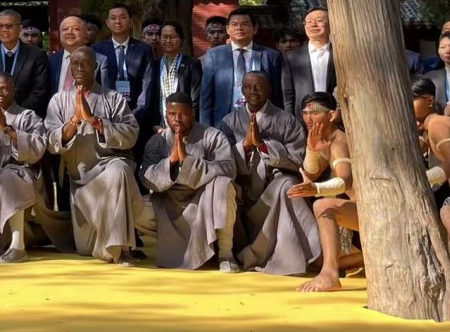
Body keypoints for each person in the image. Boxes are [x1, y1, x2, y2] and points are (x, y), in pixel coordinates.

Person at [43, 47, 142, 265]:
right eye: (75, 64)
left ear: (95, 67)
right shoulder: (58, 101)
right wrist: (76, 120)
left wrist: (95, 121)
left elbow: (131, 134)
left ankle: (121, 247)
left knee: (120, 171)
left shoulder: (112, 98)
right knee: (86, 249)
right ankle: (111, 242)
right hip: (80, 180)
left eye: (85, 64)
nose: (79, 68)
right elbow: (50, 143)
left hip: (108, 168)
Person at [220, 71, 319, 275]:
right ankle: (233, 253)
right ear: (242, 89)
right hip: (244, 188)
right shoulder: (229, 121)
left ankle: (298, 256)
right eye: (248, 87)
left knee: (288, 187)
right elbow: (221, 160)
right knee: (223, 189)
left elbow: (298, 157)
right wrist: (245, 146)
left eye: (259, 86)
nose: (253, 91)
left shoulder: (286, 120)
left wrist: (264, 146)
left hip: (274, 183)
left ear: (269, 89)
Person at [0, 72, 70, 262]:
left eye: (4, 88)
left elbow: (38, 146)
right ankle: (28, 236)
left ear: (14, 90)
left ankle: (18, 245)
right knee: (4, 178)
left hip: (27, 178)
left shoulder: (28, 116)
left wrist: (9, 129)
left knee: (9, 177)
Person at [138, 94, 240, 272]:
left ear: (192, 113)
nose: (177, 119)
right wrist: (171, 161)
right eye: (171, 114)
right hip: (168, 202)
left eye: (182, 114)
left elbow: (228, 169)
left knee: (224, 186)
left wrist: (188, 161)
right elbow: (146, 177)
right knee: (134, 208)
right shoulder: (157, 141)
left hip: (203, 200)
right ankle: (173, 245)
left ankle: (225, 254)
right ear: (166, 114)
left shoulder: (212, 136)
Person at [288, 92, 358, 292]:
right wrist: (311, 149)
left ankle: (330, 275)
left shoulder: (339, 141)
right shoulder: (325, 139)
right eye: (305, 113)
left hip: (370, 212)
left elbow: (344, 181)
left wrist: (317, 189)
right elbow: (311, 171)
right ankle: (361, 259)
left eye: (315, 112)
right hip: (359, 213)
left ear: (331, 116)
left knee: (322, 205)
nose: (309, 118)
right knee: (317, 259)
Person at [417, 78, 450, 299]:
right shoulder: (429, 128)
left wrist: (422, 180)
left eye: (411, 99)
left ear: (428, 100)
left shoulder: (438, 124)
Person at [200, 8, 282, 127]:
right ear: (228, 29)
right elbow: (206, 96)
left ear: (255, 29)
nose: (239, 28)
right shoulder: (214, 55)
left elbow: (277, 95)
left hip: (263, 120)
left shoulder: (270, 55)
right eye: (234, 24)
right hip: (224, 120)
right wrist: (206, 129)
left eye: (244, 24)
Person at [0, 10, 50, 115]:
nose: (4, 30)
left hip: (25, 118)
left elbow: (39, 91)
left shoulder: (36, 55)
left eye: (9, 26)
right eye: (0, 26)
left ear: (19, 29)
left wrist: (16, 114)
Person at [94, 4, 155, 124]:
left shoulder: (143, 49)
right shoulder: (97, 50)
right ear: (107, 22)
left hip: (137, 116)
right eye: (113, 18)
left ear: (131, 21)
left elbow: (147, 83)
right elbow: (96, 83)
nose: (118, 21)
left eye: (122, 17)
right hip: (105, 116)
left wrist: (136, 113)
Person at [145, 21, 203, 131]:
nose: (168, 40)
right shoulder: (155, 65)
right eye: (165, 37)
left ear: (181, 39)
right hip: (161, 126)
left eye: (172, 37)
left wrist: (188, 121)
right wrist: (155, 125)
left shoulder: (191, 64)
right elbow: (151, 98)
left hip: (186, 125)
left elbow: (195, 97)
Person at [281, 7, 336, 116]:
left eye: (319, 21)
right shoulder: (292, 57)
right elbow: (288, 95)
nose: (313, 25)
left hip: (336, 116)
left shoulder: (340, 53)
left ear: (331, 24)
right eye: (309, 22)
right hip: (304, 118)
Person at [47, 15, 108, 98]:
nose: (70, 32)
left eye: (76, 29)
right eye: (65, 29)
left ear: (85, 33)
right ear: (60, 34)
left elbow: (106, 95)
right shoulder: (50, 60)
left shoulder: (100, 60)